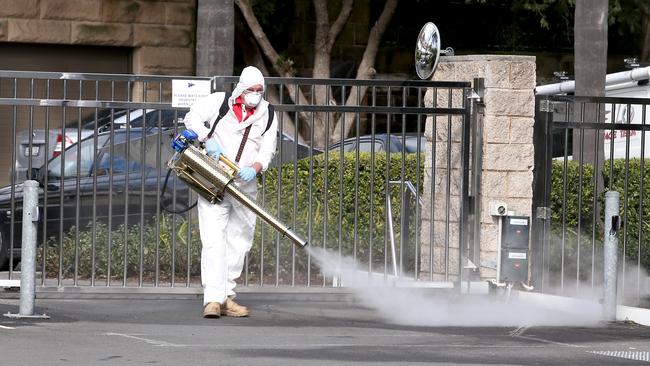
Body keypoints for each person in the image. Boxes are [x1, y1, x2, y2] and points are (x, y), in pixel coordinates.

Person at [183, 66, 278, 318]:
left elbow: (267, 150)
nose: (255, 95)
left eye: (260, 91)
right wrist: (206, 138)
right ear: (241, 89)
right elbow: (191, 118)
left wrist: (255, 168)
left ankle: (227, 296)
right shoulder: (220, 103)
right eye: (251, 90)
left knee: (239, 241)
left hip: (245, 185)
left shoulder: (268, 114)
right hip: (213, 179)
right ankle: (212, 300)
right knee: (213, 240)